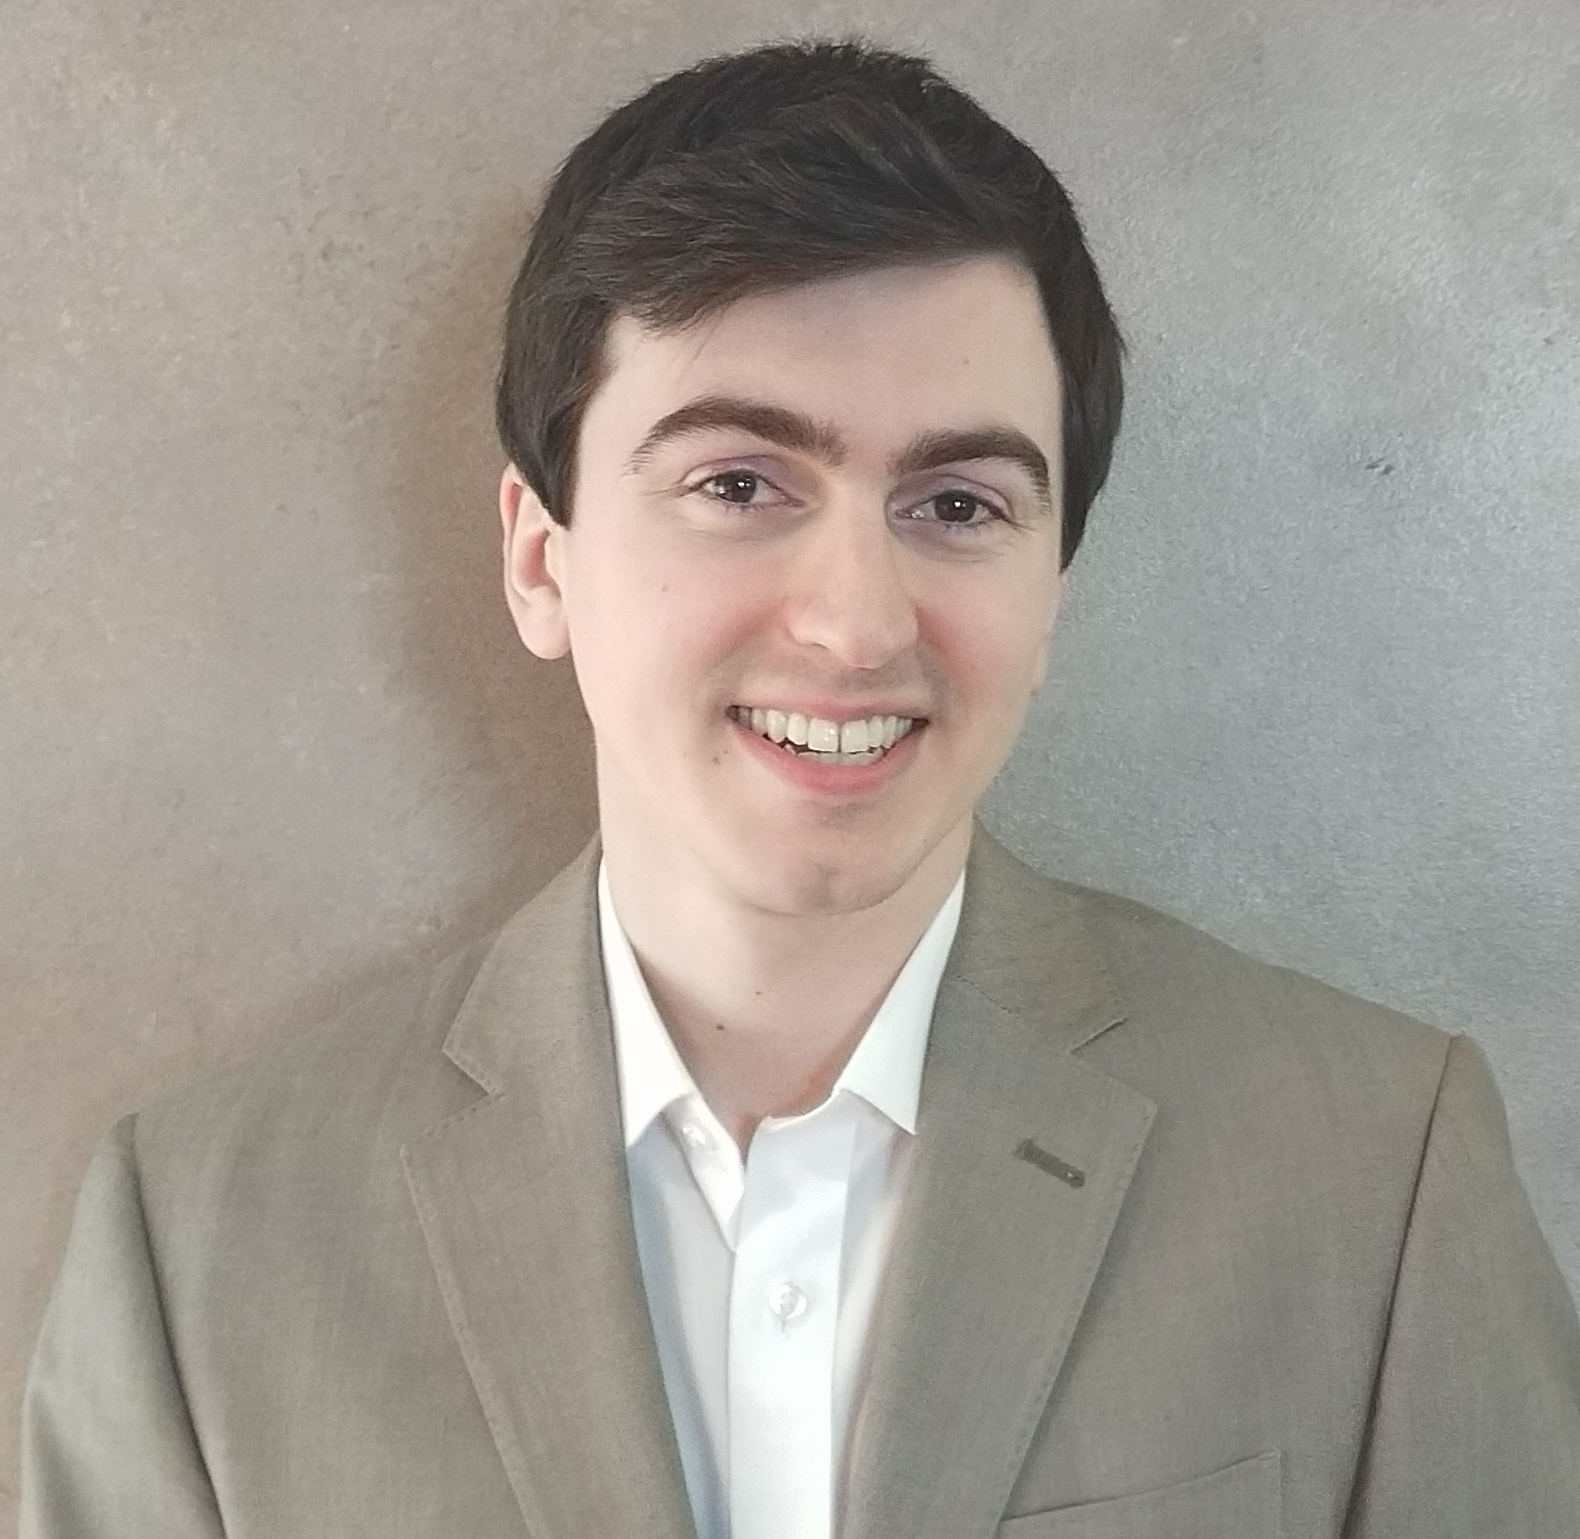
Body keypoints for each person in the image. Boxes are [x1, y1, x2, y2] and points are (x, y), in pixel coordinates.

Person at [20, 34, 1579, 1539]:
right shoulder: (198, 1244)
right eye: (737, 482)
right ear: (540, 558)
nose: (855, 624)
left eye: (957, 503)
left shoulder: (1375, 1175)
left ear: (1051, 592)